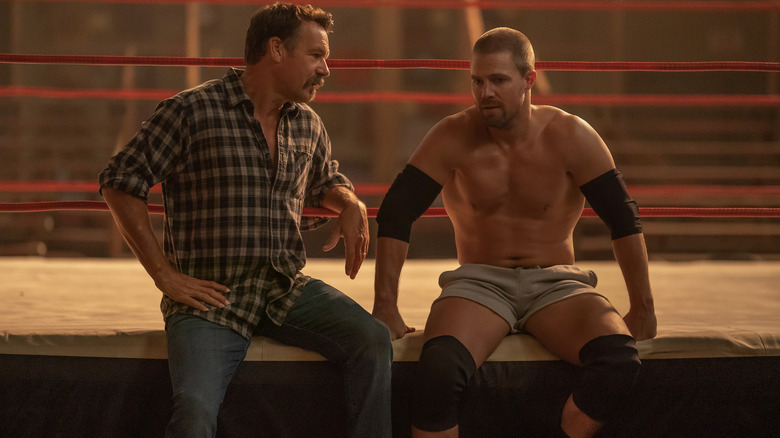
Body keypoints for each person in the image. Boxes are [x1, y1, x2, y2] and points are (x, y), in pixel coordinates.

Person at [99, 4, 392, 437]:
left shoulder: (307, 123)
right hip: (210, 296)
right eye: (315, 55)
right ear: (276, 49)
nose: (326, 69)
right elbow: (120, 180)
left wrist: (349, 202)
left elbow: (323, 180)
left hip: (284, 287)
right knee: (194, 412)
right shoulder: (192, 110)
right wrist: (163, 274)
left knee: (373, 340)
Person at [372, 27, 657, 438]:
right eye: (477, 80)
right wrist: (386, 306)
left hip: (557, 283)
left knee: (618, 360)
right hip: (479, 283)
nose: (485, 92)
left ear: (529, 79)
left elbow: (623, 217)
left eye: (498, 80)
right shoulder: (450, 135)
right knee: (436, 373)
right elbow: (397, 212)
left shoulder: (570, 134)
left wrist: (643, 307)